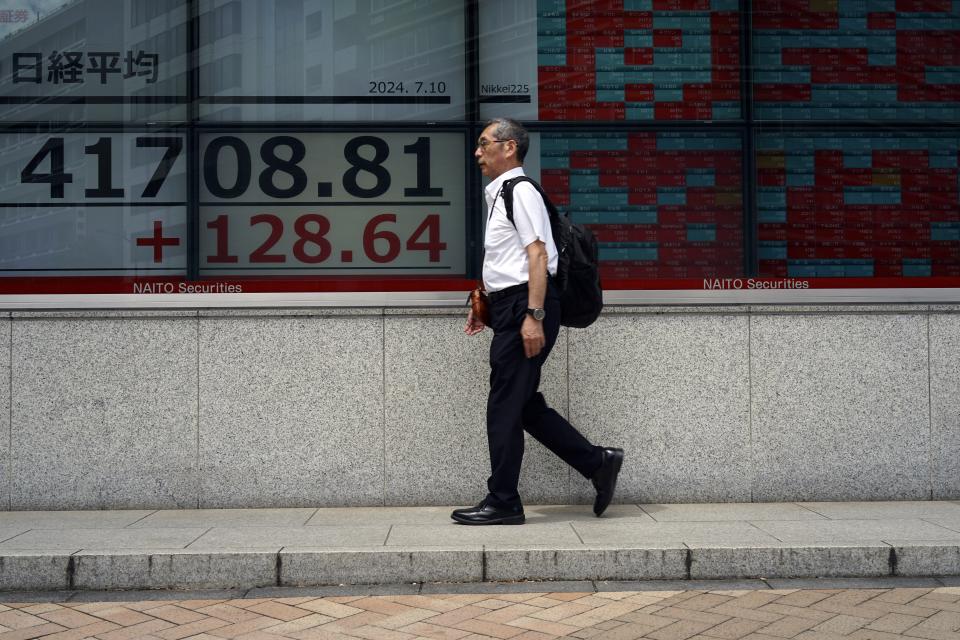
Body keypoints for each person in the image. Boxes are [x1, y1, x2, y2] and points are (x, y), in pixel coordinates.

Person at [452, 118, 624, 525]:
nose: (477, 152)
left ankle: (504, 500)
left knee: (503, 407)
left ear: (508, 148)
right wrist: (484, 303)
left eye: (483, 144)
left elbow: (538, 257)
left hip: (527, 309)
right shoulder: (503, 194)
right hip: (512, 308)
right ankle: (598, 462)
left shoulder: (520, 190)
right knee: (523, 405)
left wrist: (534, 315)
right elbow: (508, 259)